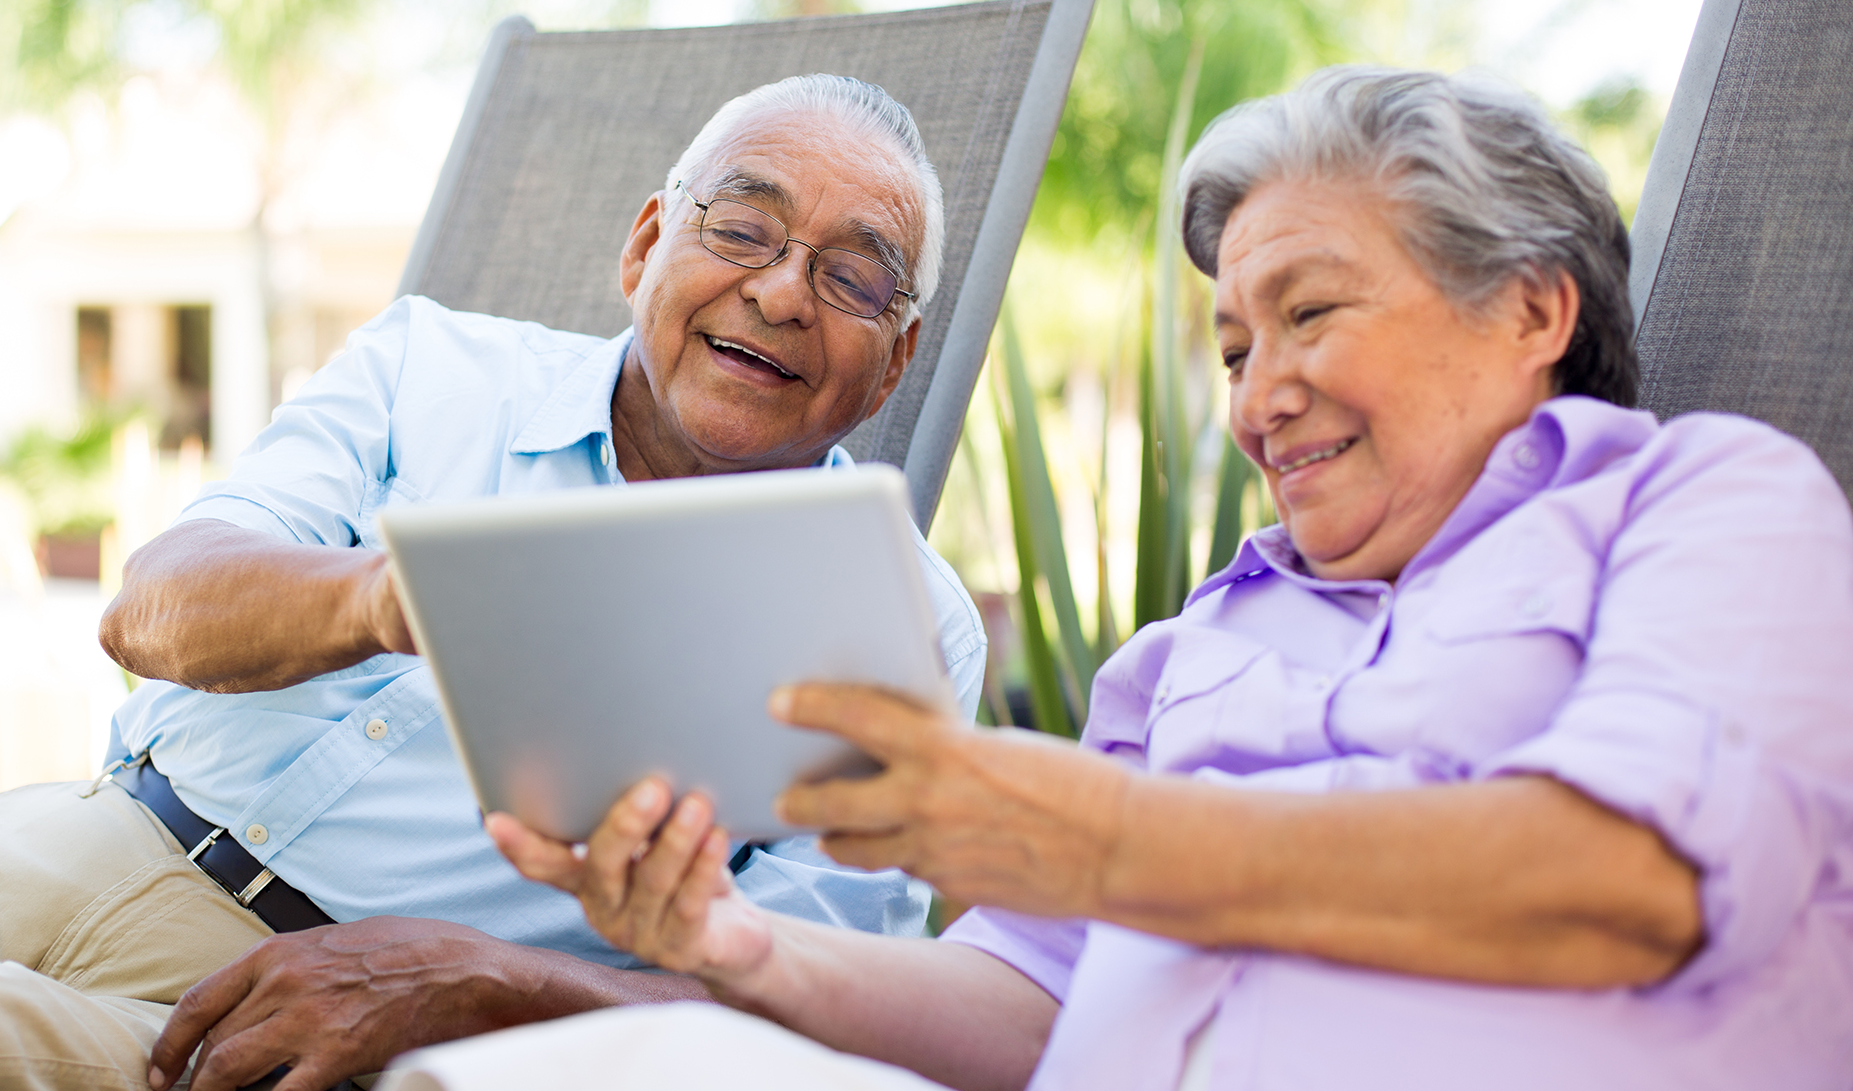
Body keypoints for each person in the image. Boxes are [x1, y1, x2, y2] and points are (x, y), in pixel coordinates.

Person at [476, 66, 1853, 1091]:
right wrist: (733, 944)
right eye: (1236, 350)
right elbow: (1025, 1002)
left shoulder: (1704, 507)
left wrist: (1114, 842)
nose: (1260, 399)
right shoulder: (1191, 650)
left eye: (1309, 314)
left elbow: (1628, 880)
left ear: (1529, 309)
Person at [0, 73, 987, 1091]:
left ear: (894, 361)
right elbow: (149, 610)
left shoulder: (900, 626)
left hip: (293, 1018)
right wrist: (393, 598)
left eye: (853, 276)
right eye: (743, 228)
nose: (778, 292)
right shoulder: (428, 367)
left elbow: (829, 1011)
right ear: (648, 243)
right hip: (39, 852)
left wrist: (485, 979)